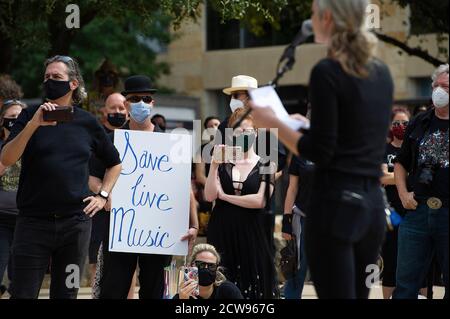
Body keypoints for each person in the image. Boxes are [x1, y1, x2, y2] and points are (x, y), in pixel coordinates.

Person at [249, 0, 393, 298]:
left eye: (314, 13)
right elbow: (353, 141)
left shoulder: (327, 71)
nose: (310, 19)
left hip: (336, 208)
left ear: (327, 17)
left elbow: (319, 151)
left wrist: (274, 123)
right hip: (372, 208)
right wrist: (302, 125)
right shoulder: (381, 72)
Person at [0, 55, 122, 299]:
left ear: (73, 83)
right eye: (46, 77)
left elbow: (114, 163)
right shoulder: (29, 115)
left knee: (66, 293)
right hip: (33, 223)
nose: (50, 81)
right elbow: (7, 158)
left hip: (75, 226)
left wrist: (103, 195)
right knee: (22, 293)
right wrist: (33, 124)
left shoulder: (87, 122)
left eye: (56, 77)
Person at [91, 75, 199, 299]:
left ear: (153, 103)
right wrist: (104, 194)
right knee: (113, 289)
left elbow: (184, 186)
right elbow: (91, 177)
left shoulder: (171, 143)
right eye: (135, 98)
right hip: (120, 229)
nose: (142, 103)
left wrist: (194, 223)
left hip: (159, 232)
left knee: (156, 291)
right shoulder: (111, 140)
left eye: (147, 98)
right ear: (126, 104)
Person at [205, 108, 276, 299]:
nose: (243, 135)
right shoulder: (222, 162)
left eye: (247, 131)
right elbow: (210, 195)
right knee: (222, 285)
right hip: (222, 230)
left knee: (253, 288)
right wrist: (213, 166)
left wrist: (226, 197)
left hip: (252, 234)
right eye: (237, 131)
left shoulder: (267, 163)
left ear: (256, 133)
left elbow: (260, 200)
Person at [393, 64, 449, 299]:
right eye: (436, 86)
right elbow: (400, 163)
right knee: (405, 285)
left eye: (445, 86)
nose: (439, 91)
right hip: (418, 210)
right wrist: (404, 194)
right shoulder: (418, 122)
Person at [87, 92, 129, 289]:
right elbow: (89, 175)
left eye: (121, 108)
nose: (118, 112)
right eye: (113, 108)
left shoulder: (138, 136)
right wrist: (104, 195)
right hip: (103, 210)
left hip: (132, 211)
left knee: (130, 266)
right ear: (104, 110)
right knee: (97, 260)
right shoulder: (95, 136)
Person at [379, 108, 411, 299]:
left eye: (405, 123)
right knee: (390, 262)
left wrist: (395, 176)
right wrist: (407, 176)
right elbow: (382, 177)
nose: (401, 127)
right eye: (396, 123)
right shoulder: (384, 150)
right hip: (392, 215)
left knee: (415, 262)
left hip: (413, 212)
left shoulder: (415, 148)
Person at [0, 99, 27, 297]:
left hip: (27, 219)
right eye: (11, 117)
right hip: (1, 219)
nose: (15, 121)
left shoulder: (35, 146)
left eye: (20, 117)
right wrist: (10, 149)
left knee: (21, 277)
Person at [174, 243, 243, 299]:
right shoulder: (182, 295)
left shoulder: (228, 291)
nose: (206, 269)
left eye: (211, 266)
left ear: (217, 269)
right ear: (191, 266)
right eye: (201, 264)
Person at [194, 116, 221, 236]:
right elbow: (200, 176)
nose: (214, 128)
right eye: (210, 126)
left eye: (216, 125)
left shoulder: (231, 147)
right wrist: (217, 188)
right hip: (209, 197)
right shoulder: (202, 150)